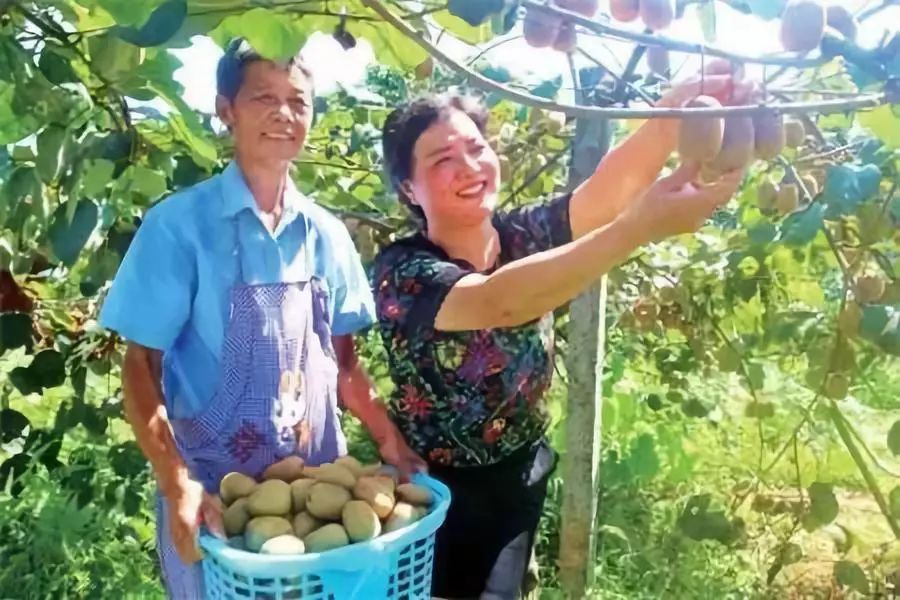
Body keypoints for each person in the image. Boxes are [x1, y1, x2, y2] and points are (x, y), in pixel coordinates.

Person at [373, 73, 751, 599]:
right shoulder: (402, 271)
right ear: (408, 190)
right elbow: (500, 301)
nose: (470, 166)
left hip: (520, 473)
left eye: (476, 148)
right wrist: (639, 227)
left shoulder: (521, 235)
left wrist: (673, 115)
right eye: (442, 160)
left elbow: (607, 194)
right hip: (432, 491)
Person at [99, 38, 423, 597]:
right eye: (263, 98)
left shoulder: (327, 235)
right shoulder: (179, 227)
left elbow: (346, 365)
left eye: (298, 101)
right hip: (216, 499)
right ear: (225, 109)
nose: (283, 114)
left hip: (317, 495)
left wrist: (390, 443)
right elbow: (140, 365)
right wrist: (176, 482)